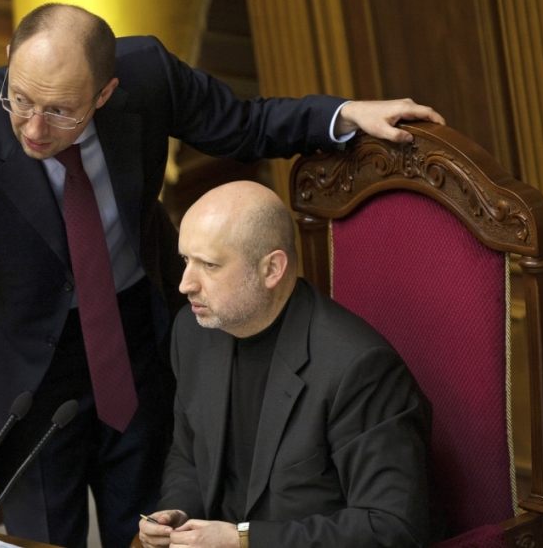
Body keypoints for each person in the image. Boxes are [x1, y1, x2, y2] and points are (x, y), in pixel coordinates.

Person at [0, 2, 445, 548]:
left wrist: (346, 114)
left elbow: (246, 126)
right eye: (20, 99)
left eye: (60, 111)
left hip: (140, 338)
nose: (34, 127)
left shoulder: (148, 75)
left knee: (153, 525)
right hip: (28, 372)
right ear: (8, 60)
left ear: (105, 93)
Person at [138, 181, 439, 547]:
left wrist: (242, 540)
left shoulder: (358, 368)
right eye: (186, 260)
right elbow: (189, 455)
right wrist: (176, 513)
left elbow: (391, 527)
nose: (185, 284)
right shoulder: (193, 332)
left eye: (209, 265)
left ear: (272, 269)